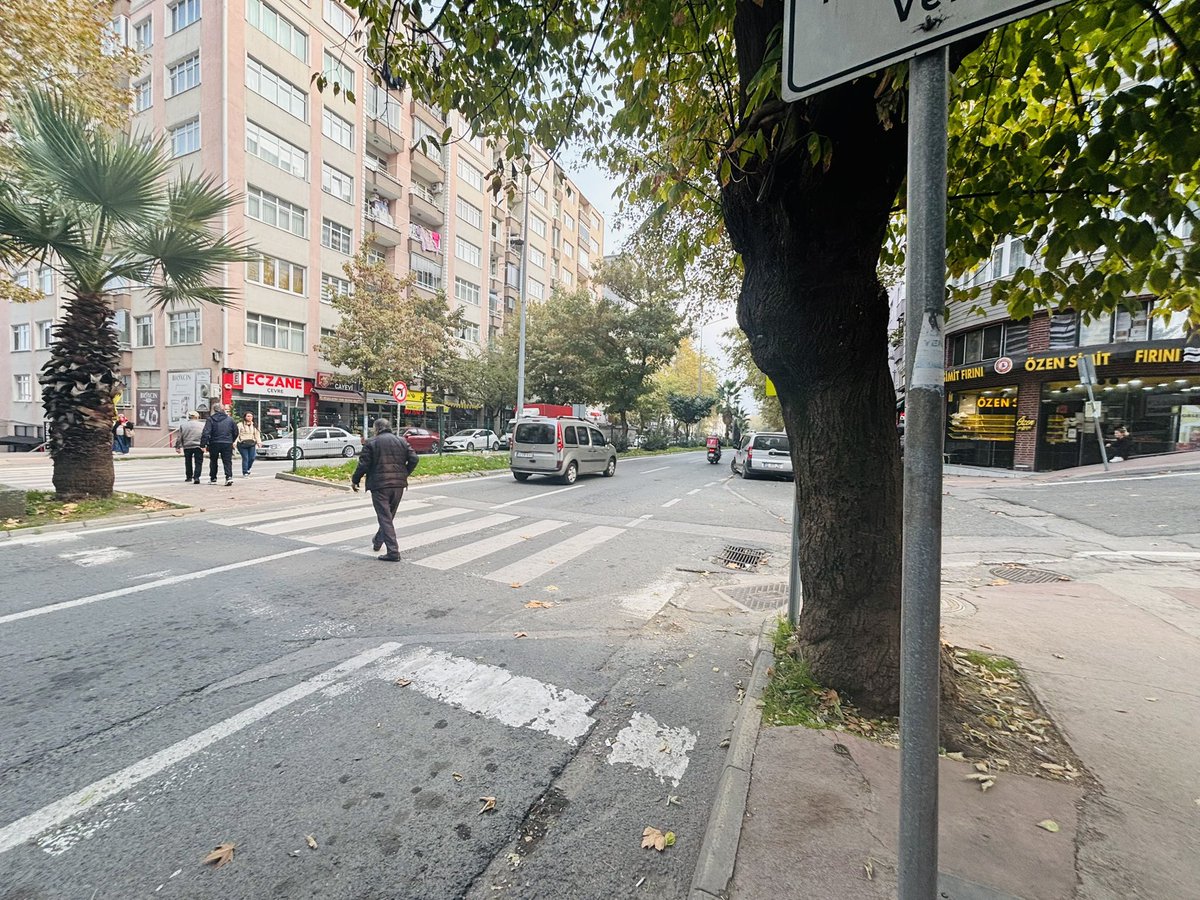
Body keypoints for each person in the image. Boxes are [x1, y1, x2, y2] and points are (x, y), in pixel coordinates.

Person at [352, 418, 419, 562]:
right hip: (398, 485)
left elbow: (363, 465)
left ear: (377, 429)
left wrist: (355, 480)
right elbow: (414, 459)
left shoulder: (371, 443)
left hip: (380, 485)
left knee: (384, 517)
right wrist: (405, 473)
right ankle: (378, 541)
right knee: (388, 517)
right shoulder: (402, 441)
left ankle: (393, 552)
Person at [201, 403, 238, 486]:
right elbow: (236, 431)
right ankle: (228, 477)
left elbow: (206, 432)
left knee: (213, 461)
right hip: (227, 443)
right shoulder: (230, 419)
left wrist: (203, 444)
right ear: (223, 410)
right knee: (227, 461)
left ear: (214, 410)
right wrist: (231, 440)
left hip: (214, 442)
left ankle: (213, 478)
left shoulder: (210, 419)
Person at [174, 411, 205, 483]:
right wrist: (205, 445)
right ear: (197, 417)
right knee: (198, 462)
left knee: (188, 462)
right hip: (198, 446)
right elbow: (205, 435)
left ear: (189, 417)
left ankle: (189, 477)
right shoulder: (202, 425)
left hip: (187, 446)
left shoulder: (183, 425)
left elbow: (179, 437)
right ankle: (196, 477)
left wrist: (178, 447)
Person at [236, 412, 263, 477]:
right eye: (248, 416)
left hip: (251, 443)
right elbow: (237, 434)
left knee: (252, 458)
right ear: (245, 417)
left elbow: (257, 434)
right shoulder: (240, 425)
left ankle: (248, 468)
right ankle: (245, 472)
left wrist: (259, 442)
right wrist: (234, 442)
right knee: (245, 458)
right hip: (242, 444)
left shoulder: (254, 425)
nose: (250, 417)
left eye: (251, 416)